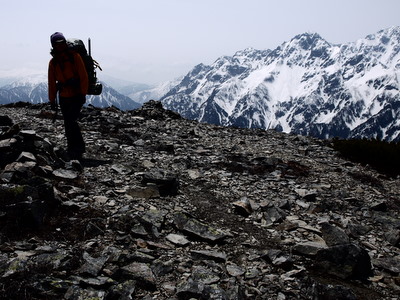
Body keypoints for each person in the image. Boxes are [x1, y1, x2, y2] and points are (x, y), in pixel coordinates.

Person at [48, 32, 89, 161]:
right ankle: (73, 148)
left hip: (76, 94)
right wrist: (52, 99)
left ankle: (78, 148)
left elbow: (83, 76)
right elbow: (51, 82)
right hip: (64, 96)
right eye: (57, 44)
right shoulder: (53, 62)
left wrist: (83, 93)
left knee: (71, 121)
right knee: (68, 122)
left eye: (62, 43)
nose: (60, 46)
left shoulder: (75, 56)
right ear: (53, 45)